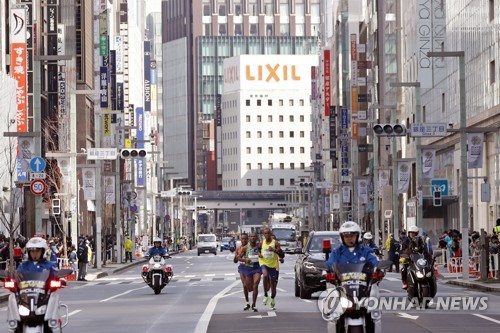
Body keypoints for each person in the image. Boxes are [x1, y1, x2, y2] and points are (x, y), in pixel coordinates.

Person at [259, 227, 284, 310]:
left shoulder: (275, 243)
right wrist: (259, 254)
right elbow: (258, 250)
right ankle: (265, 294)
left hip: (273, 266)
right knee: (265, 275)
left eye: (268, 233)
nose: (267, 235)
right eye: (265, 233)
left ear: (270, 234)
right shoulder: (262, 242)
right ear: (263, 235)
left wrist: (274, 250)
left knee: (273, 287)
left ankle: (272, 298)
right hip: (264, 263)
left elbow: (282, 255)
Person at [237, 232, 262, 312]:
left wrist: (261, 255)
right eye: (251, 236)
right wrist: (245, 260)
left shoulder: (259, 246)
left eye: (254, 236)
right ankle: (247, 301)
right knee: (249, 288)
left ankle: (254, 304)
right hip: (248, 268)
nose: (253, 238)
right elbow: (238, 258)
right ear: (249, 238)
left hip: (257, 267)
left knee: (255, 285)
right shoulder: (245, 248)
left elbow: (265, 252)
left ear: (256, 238)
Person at [233, 233, 251, 311]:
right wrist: (236, 257)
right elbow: (235, 261)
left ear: (247, 239)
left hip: (250, 267)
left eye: (245, 239)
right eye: (242, 239)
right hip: (242, 268)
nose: (243, 240)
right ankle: (247, 302)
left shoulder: (251, 247)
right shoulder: (238, 248)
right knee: (244, 285)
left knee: (250, 287)